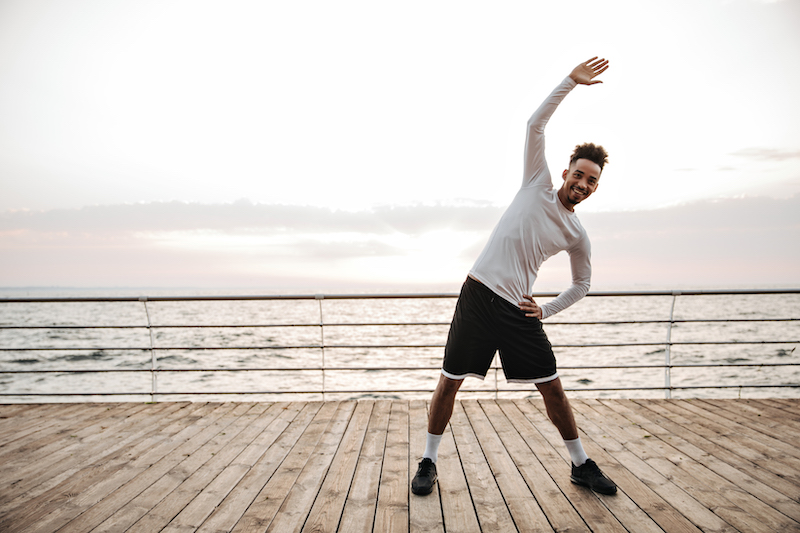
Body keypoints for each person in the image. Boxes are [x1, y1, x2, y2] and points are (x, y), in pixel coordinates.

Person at [411, 57, 617, 497]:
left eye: (591, 180)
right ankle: (428, 460)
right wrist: (570, 82)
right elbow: (534, 125)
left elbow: (582, 283)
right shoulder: (536, 182)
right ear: (565, 172)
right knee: (449, 381)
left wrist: (545, 308)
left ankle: (581, 465)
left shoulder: (576, 233)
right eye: (578, 174)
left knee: (554, 391)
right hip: (477, 295)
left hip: (518, 312)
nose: (582, 182)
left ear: (596, 188)